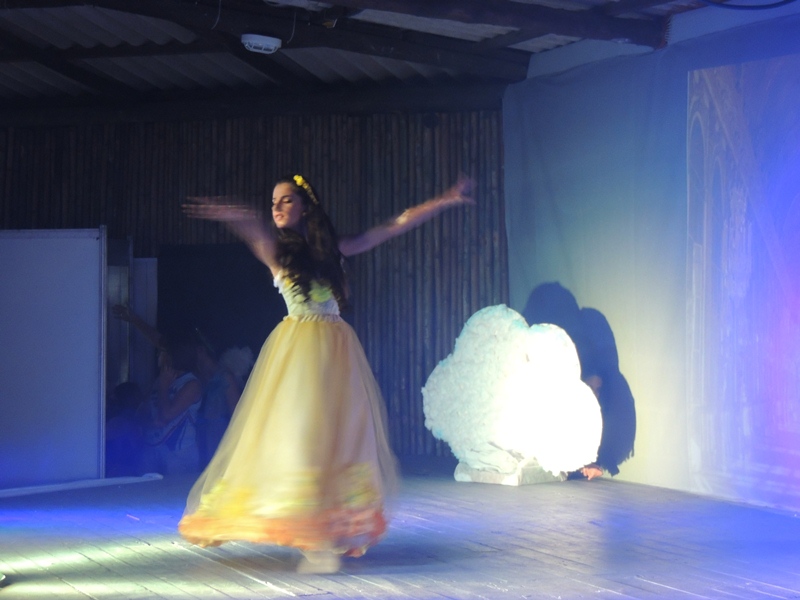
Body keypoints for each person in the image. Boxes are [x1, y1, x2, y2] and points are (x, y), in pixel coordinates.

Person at [178, 173, 473, 573]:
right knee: (305, 438)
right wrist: (230, 213)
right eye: (273, 202)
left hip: (337, 354)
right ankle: (312, 539)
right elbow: (252, 227)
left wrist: (444, 199)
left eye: (285, 200)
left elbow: (393, 226)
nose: (277, 208)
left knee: (338, 440)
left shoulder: (335, 250)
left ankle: (330, 528)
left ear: (305, 206)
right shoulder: (277, 254)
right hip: (299, 355)